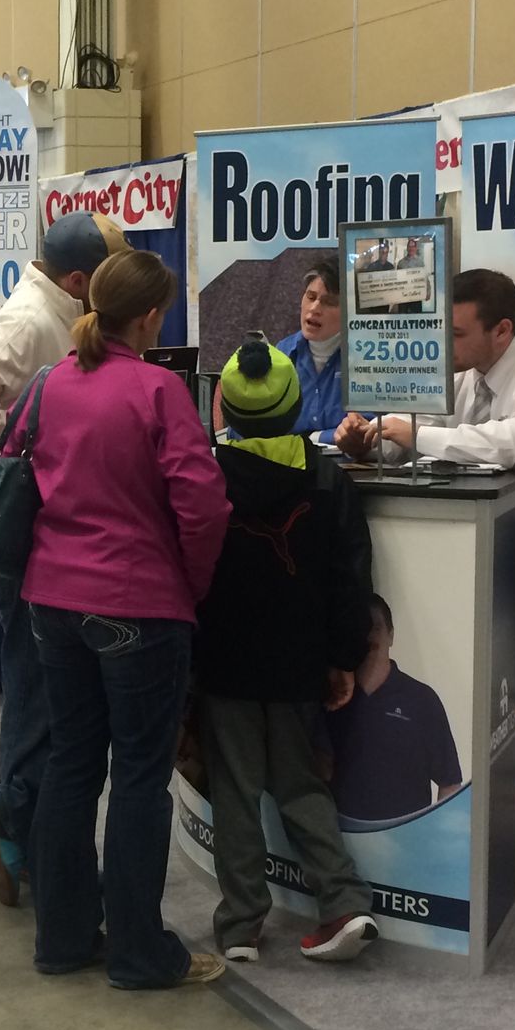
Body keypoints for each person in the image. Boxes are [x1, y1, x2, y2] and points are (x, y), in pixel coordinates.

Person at [22, 250, 231, 990]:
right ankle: (141, 953)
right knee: (140, 779)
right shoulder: (158, 389)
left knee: (71, 765)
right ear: (150, 317)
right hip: (138, 604)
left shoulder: (50, 383)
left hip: (53, 601)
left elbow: (14, 465)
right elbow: (203, 506)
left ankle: (62, 938)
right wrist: (191, 586)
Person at [0, 209, 127, 909]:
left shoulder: (49, 313)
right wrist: (22, 455)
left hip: (50, 533)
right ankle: (20, 819)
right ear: (79, 280)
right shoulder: (30, 320)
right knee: (37, 684)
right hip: (36, 533)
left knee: (44, 685)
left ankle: (26, 831)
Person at [194, 334, 380, 965]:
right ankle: (344, 901)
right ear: (297, 402)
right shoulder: (327, 477)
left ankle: (241, 924)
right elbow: (352, 581)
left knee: (235, 791)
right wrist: (344, 657)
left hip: (223, 661)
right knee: (302, 786)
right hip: (302, 663)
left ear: (225, 407)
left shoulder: (204, 473)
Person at [336, 268, 515, 627]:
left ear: (502, 330)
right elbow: (417, 428)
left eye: (456, 334)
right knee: (392, 579)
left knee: (453, 605)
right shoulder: (464, 371)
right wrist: (369, 441)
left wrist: (416, 436)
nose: (443, 343)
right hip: (484, 527)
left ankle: (457, 683)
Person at [326, 596, 462, 822]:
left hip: (403, 843)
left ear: (391, 635)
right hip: (341, 841)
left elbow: (449, 784)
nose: (370, 637)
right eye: (363, 629)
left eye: (376, 627)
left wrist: (433, 841)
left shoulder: (422, 700)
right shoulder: (332, 698)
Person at [270, 259, 352, 442]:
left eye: (329, 302)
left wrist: (311, 437)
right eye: (311, 297)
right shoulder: (282, 354)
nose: (314, 308)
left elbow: (367, 428)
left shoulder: (363, 358)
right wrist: (325, 437)